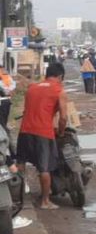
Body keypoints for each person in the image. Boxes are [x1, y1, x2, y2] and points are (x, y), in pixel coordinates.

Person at [16, 63, 68, 210]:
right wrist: (61, 132)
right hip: (43, 132)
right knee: (44, 168)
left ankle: (18, 197)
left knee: (21, 163)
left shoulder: (32, 88)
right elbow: (63, 118)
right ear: (60, 76)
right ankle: (45, 201)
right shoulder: (59, 90)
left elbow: (30, 110)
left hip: (25, 130)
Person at [0, 64, 17, 130]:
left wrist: (5, 90)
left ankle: (4, 133)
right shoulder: (5, 75)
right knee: (4, 118)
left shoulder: (5, 75)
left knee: (2, 119)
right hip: (6, 100)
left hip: (4, 100)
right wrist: (8, 89)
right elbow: (13, 84)